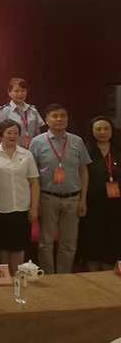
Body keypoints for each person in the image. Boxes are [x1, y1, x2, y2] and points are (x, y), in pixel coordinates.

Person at [29, 104, 91, 274]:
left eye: (63, 116)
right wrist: (35, 202)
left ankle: (65, 277)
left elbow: (84, 171)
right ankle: (49, 277)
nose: (59, 119)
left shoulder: (77, 141)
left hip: (73, 198)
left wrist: (83, 199)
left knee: (69, 243)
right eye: (54, 116)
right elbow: (32, 174)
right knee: (45, 242)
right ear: (46, 120)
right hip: (47, 198)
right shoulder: (37, 142)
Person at [0, 120, 40, 276]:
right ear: (1, 134)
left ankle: (18, 277)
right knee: (3, 246)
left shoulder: (26, 154)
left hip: (22, 207)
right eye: (9, 132)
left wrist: (34, 207)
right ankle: (6, 279)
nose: (12, 136)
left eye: (16, 133)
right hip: (0, 207)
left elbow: (34, 182)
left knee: (19, 247)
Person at [79, 116, 121, 272]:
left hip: (116, 203)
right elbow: (82, 176)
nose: (102, 132)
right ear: (92, 131)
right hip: (92, 201)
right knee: (91, 236)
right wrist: (82, 200)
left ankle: (108, 272)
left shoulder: (118, 150)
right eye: (98, 129)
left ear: (112, 131)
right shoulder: (86, 150)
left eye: (106, 129)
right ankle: (93, 272)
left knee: (113, 237)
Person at [0, 78, 44, 149]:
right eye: (16, 91)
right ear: (9, 92)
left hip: (31, 150)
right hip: (12, 149)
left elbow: (37, 133)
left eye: (23, 91)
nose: (20, 94)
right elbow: (0, 135)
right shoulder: (4, 111)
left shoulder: (32, 110)